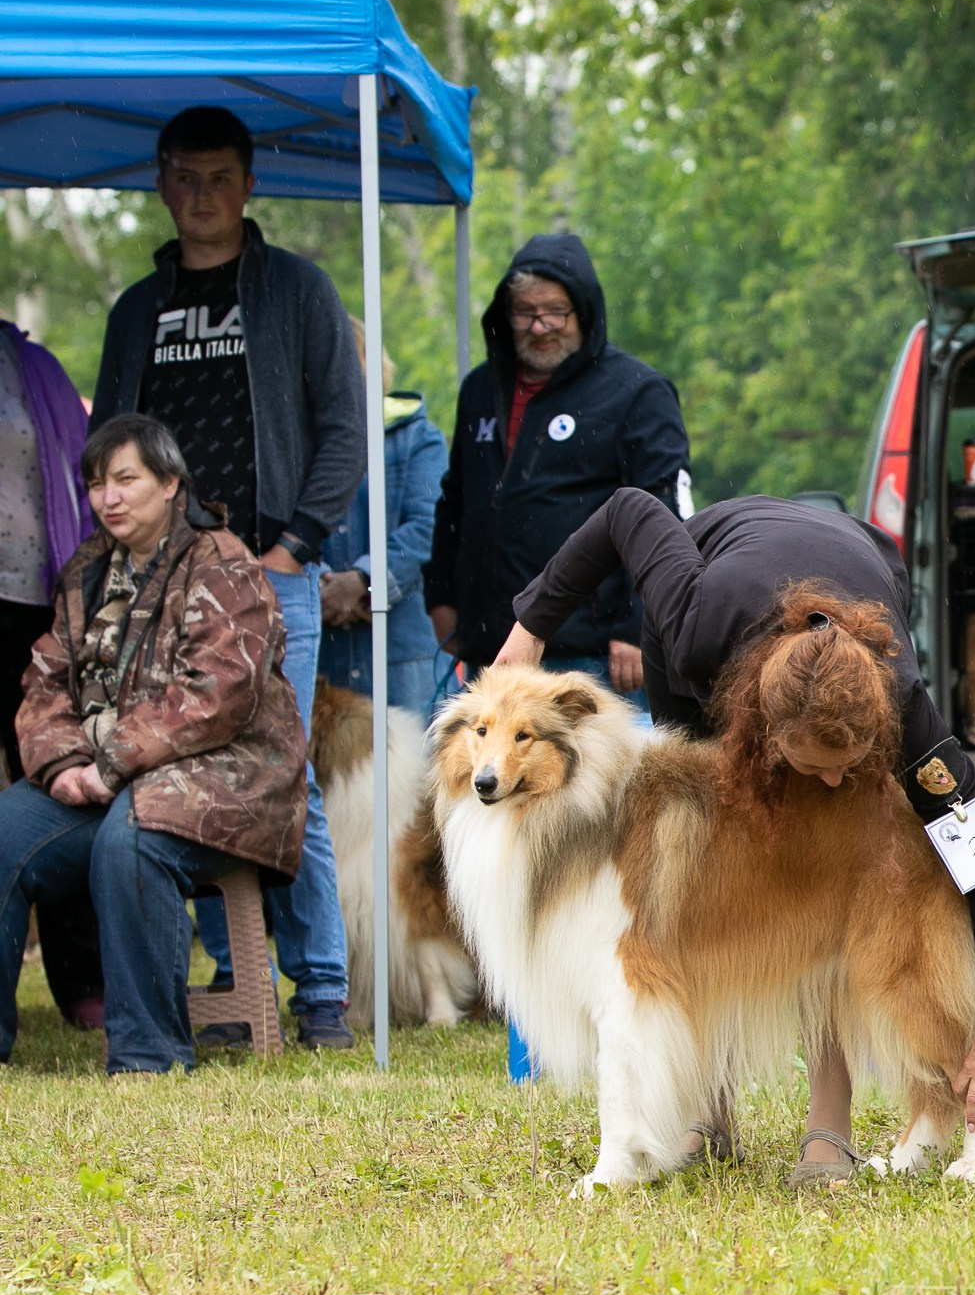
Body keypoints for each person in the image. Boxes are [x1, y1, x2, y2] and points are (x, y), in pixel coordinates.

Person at [493, 488, 975, 1188]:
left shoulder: (904, 708)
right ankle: (707, 1110)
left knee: (821, 881)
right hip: (703, 644)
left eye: (850, 767)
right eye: (817, 768)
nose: (836, 785)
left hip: (862, 565)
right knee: (700, 890)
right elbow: (628, 510)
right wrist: (531, 624)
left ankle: (831, 1117)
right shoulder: (698, 625)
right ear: (770, 739)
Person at [92, 105, 358, 1049]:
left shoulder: (294, 290)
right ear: (161, 185)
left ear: (249, 185)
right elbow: (112, 443)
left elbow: (344, 429)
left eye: (218, 177)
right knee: (179, 768)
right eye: (183, 177)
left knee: (286, 775)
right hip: (164, 585)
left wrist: (293, 545)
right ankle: (230, 980)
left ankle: (321, 988)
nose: (200, 195)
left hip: (273, 572)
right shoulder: (137, 309)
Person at [0, 416, 308, 1072]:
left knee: (133, 833)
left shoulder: (222, 562)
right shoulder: (86, 570)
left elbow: (216, 694)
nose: (108, 497)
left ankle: (148, 1052)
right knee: (6, 828)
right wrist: (62, 763)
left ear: (170, 483)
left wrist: (108, 765)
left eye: (125, 479)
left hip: (232, 777)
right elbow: (43, 682)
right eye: (94, 484)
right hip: (101, 779)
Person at [425, 234, 691, 705]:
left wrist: (638, 626)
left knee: (602, 782)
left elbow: (665, 517)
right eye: (525, 311)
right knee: (495, 780)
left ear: (584, 310)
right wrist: (441, 597)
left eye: (555, 311)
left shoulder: (635, 392)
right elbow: (456, 501)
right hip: (493, 651)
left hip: (593, 657)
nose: (540, 326)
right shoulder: (480, 390)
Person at [0, 319, 100, 1029]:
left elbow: (78, 473)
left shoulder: (30, 365)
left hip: (31, 601)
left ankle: (82, 981)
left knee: (53, 778)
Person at [318, 326, 451, 713]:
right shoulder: (295, 444)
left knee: (418, 771)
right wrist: (323, 587)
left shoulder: (416, 437)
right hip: (324, 654)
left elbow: (430, 524)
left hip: (403, 653)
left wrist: (364, 580)